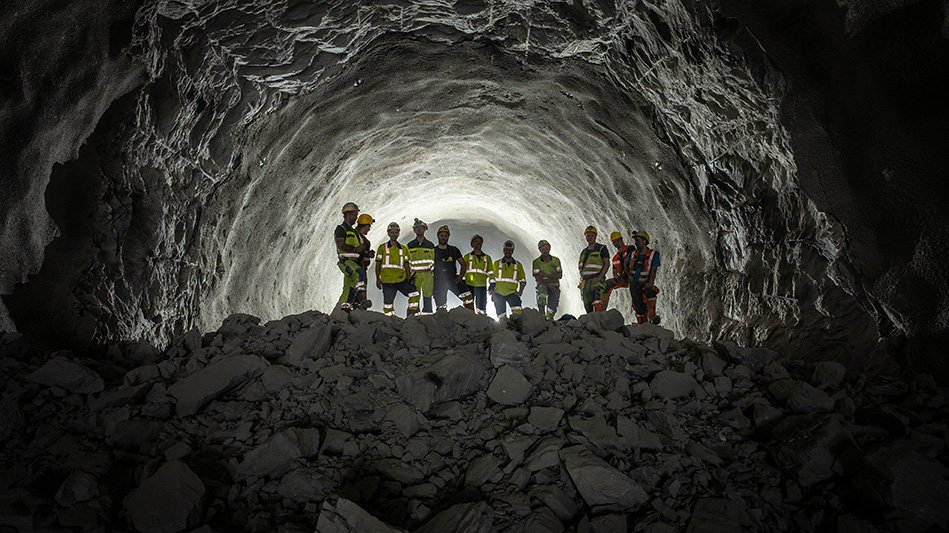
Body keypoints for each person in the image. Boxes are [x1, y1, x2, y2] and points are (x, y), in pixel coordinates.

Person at [375, 222, 420, 317]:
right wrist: (378, 279)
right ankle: (390, 320)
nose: (394, 234)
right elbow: (378, 264)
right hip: (387, 281)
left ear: (398, 233)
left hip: (400, 280)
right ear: (388, 233)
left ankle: (411, 314)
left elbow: (406, 264)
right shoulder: (382, 248)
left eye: (396, 232)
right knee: (388, 304)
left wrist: (409, 278)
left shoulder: (404, 249)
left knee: (414, 293)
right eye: (392, 232)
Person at [624, 230, 661, 324]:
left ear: (645, 241)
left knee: (651, 292)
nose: (636, 243)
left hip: (645, 282)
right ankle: (642, 324)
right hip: (634, 283)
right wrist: (629, 276)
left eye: (638, 240)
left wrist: (650, 282)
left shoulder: (653, 254)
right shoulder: (632, 254)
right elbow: (626, 264)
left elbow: (653, 270)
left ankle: (652, 317)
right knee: (638, 304)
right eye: (635, 241)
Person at [433, 225, 473, 310]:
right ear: (438, 236)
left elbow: (463, 264)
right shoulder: (433, 251)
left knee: (467, 297)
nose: (443, 238)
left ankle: (472, 318)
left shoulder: (454, 250)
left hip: (453, 279)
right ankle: (443, 320)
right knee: (441, 306)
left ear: (448, 237)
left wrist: (460, 277)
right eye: (441, 235)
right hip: (439, 281)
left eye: (445, 236)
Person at [334, 202, 365, 311]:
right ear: (348, 214)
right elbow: (340, 245)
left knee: (350, 287)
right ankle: (362, 301)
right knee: (359, 274)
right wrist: (355, 249)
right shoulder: (341, 229)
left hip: (353, 262)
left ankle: (344, 308)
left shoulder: (353, 232)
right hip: (345, 261)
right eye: (355, 215)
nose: (356, 218)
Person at [405, 219, 436, 314]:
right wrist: (408, 275)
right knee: (414, 295)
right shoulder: (410, 245)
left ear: (425, 229)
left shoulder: (430, 245)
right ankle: (413, 315)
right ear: (414, 230)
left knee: (427, 295)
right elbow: (406, 261)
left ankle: (427, 316)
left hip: (428, 275)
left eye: (421, 227)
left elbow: (434, 261)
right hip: (414, 275)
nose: (419, 229)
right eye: (416, 228)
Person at [578, 225, 610, 313]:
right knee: (587, 304)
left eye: (592, 235)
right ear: (585, 236)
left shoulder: (601, 248)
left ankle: (598, 320)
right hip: (585, 282)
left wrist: (599, 277)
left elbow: (607, 264)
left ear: (595, 236)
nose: (589, 237)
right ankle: (591, 323)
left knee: (597, 300)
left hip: (596, 279)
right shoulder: (583, 252)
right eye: (588, 235)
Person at [490, 240, 527, 318]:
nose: (508, 251)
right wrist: (493, 294)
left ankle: (516, 327)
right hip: (498, 293)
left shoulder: (518, 265)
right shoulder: (496, 264)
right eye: (506, 249)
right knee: (501, 316)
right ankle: (505, 328)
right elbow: (491, 280)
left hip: (512, 293)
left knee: (518, 312)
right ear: (503, 250)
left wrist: (520, 292)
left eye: (510, 250)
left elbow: (523, 281)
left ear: (513, 251)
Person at [599, 231, 631, 311]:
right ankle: (601, 311)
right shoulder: (615, 258)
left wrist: (623, 276)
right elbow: (614, 271)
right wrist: (617, 278)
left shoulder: (630, 249)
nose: (616, 243)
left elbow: (632, 263)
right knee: (607, 285)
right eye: (614, 242)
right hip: (623, 280)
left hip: (634, 277)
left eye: (617, 241)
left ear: (621, 240)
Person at [463, 235, 494, 314]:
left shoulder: (487, 258)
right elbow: (462, 271)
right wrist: (462, 284)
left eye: (480, 242)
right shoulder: (467, 257)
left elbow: (491, 272)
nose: (478, 243)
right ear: (472, 244)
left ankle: (482, 323)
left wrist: (492, 284)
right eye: (476, 241)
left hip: (481, 286)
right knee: (468, 306)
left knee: (481, 308)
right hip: (469, 285)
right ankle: (467, 323)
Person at [532, 240, 562, 319]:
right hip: (543, 285)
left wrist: (546, 275)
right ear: (540, 250)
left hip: (554, 285)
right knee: (541, 293)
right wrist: (548, 285)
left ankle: (549, 318)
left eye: (546, 248)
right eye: (543, 249)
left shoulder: (556, 261)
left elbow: (560, 275)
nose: (545, 251)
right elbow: (537, 277)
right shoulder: (536, 262)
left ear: (549, 248)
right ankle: (542, 316)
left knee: (553, 302)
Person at [352, 213, 375, 309]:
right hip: (355, 267)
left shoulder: (366, 241)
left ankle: (360, 307)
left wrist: (368, 255)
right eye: (369, 226)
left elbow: (365, 259)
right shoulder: (352, 236)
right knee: (356, 287)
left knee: (361, 287)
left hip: (362, 267)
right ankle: (359, 303)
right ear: (365, 225)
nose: (369, 229)